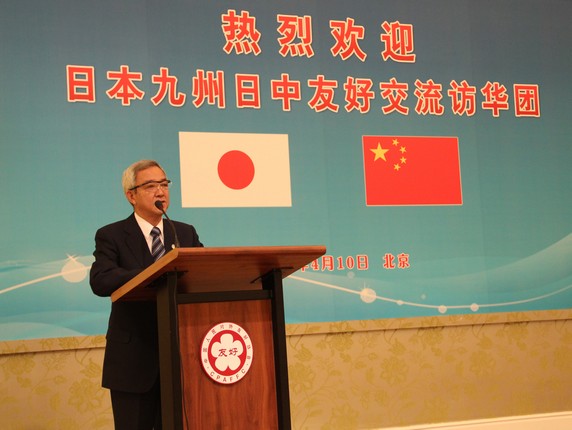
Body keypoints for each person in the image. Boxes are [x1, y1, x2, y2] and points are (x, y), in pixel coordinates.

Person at [90, 159, 203, 430]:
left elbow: (202, 274)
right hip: (133, 360)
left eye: (164, 184)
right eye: (151, 186)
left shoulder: (184, 232)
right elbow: (100, 280)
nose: (161, 191)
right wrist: (152, 273)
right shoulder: (112, 235)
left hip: (180, 357)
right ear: (131, 196)